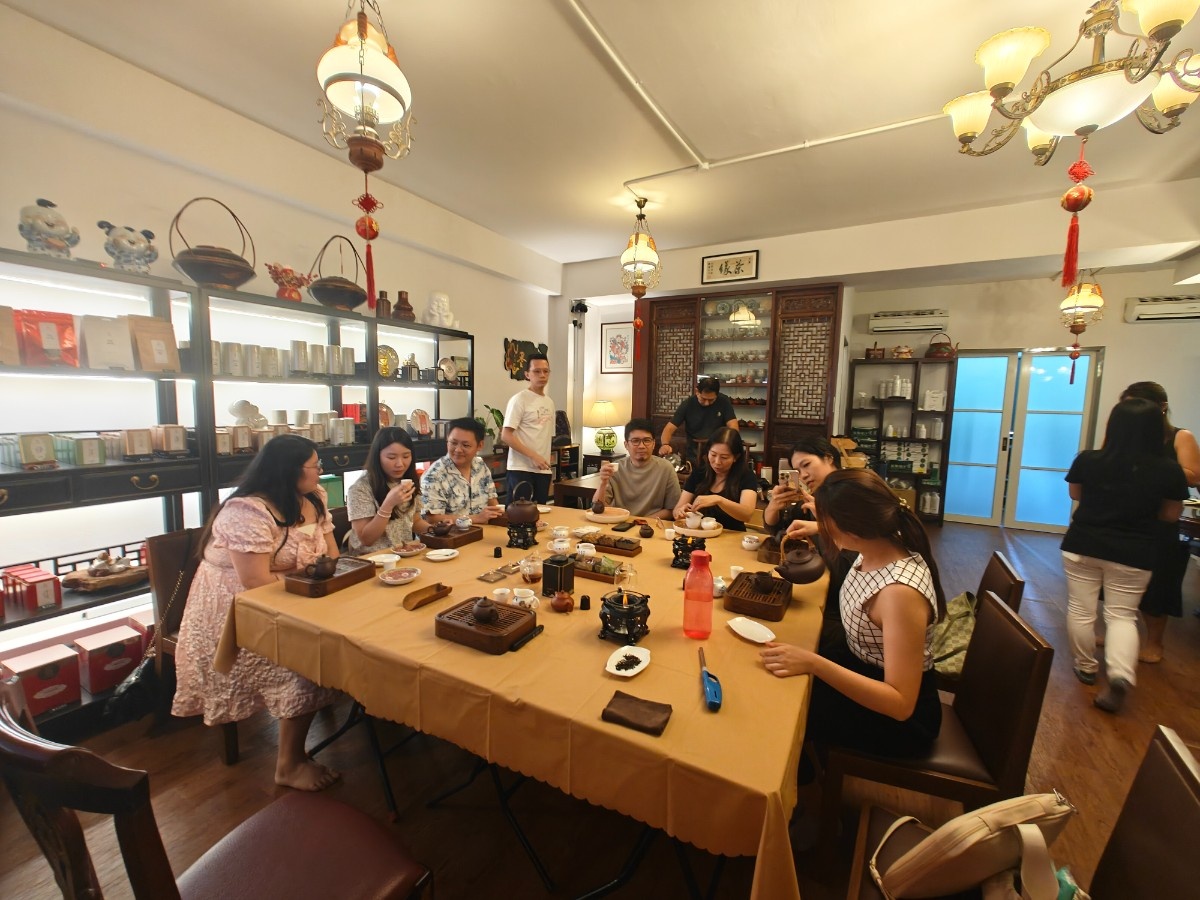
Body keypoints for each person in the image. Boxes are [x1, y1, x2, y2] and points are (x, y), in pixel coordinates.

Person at [172, 434, 341, 791]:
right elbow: (256, 582)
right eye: (315, 466)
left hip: (298, 594)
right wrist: (310, 573)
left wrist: (316, 573)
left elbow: (332, 552)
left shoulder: (314, 496)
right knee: (307, 659)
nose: (320, 471)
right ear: (290, 471)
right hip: (237, 612)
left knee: (343, 639)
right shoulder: (246, 512)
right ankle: (289, 764)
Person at [760, 468, 945, 762]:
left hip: (898, 722)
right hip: (861, 666)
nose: (822, 528)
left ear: (854, 530)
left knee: (783, 702)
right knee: (780, 665)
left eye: (825, 522)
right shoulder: (879, 544)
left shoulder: (899, 593)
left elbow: (900, 704)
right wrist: (818, 525)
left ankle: (795, 774)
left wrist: (813, 663)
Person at [1061, 398, 1187, 712]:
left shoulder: (1088, 460)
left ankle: (1085, 667)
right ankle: (1119, 675)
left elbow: (1076, 494)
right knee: (1121, 616)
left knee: (1081, 609)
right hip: (1135, 551)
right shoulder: (1169, 470)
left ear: (1112, 426)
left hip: (1083, 543)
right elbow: (1170, 515)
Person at [1119, 381, 1200, 662]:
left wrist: (1150, 467)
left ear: (1162, 407)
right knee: (1118, 582)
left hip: (1161, 519)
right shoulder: (1126, 436)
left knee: (1157, 584)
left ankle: (1155, 643)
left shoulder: (1180, 436)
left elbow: (1193, 475)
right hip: (1125, 516)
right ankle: (1119, 633)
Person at [346, 427, 432, 553]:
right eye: (391, 458)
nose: (400, 464)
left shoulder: (408, 481)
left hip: (404, 553)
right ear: (378, 457)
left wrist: (434, 529)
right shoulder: (360, 489)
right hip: (372, 558)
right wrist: (389, 504)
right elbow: (366, 539)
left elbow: (415, 521)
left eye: (406, 456)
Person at [592, 418, 682, 519]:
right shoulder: (615, 468)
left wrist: (641, 522)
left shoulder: (666, 468)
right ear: (626, 445)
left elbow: (673, 509)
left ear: (653, 444)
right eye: (635, 441)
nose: (641, 446)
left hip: (651, 524)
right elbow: (598, 507)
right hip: (619, 522)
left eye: (646, 441)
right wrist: (603, 483)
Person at [672, 426, 758, 531]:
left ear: (736, 457)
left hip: (732, 536)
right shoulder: (699, 473)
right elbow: (676, 511)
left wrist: (719, 500)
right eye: (713, 455)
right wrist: (680, 512)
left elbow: (747, 514)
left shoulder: (746, 476)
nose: (717, 462)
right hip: (699, 535)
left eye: (724, 457)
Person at [421, 417, 502, 525]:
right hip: (451, 534)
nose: (458, 450)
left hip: (484, 532)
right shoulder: (434, 475)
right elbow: (432, 519)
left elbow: (492, 501)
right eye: (453, 443)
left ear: (480, 445)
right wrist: (476, 518)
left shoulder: (480, 466)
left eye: (465, 445)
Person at [765, 436, 843, 537]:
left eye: (806, 464)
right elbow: (781, 527)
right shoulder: (813, 496)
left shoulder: (854, 490)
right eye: (798, 471)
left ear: (828, 458)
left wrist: (822, 527)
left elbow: (858, 535)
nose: (803, 476)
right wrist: (773, 507)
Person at [502, 353, 555, 504]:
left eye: (545, 371)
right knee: (518, 514)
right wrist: (533, 456)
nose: (542, 375)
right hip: (521, 469)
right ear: (527, 374)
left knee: (539, 513)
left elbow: (545, 437)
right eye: (537, 371)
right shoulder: (519, 399)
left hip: (542, 470)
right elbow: (506, 435)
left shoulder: (549, 402)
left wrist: (547, 466)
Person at [658, 377, 738, 462]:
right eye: (703, 399)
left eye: (711, 400)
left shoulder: (723, 401)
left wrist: (732, 444)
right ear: (697, 392)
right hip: (694, 451)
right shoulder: (688, 404)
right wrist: (665, 444)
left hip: (717, 449)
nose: (707, 403)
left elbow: (733, 425)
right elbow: (669, 428)